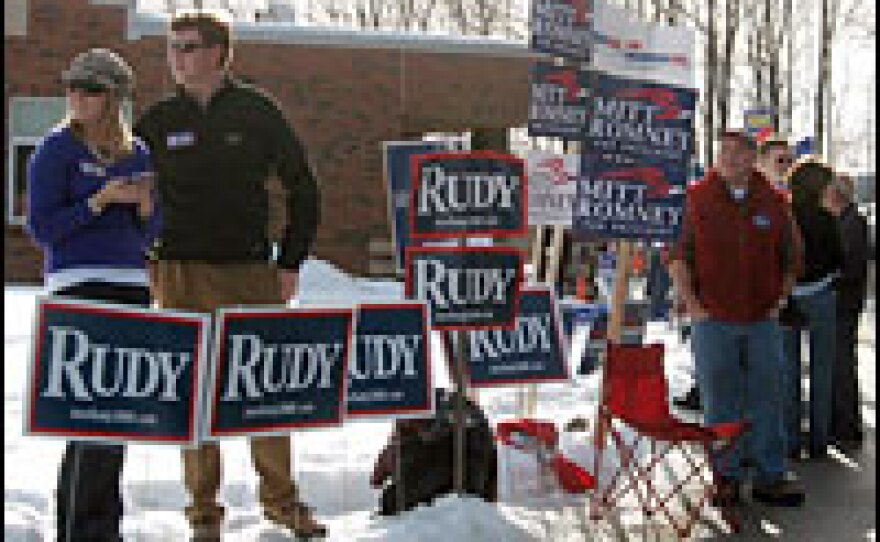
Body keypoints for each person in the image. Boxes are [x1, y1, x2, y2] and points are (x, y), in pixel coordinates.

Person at [133, 10, 324, 540]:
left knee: (260, 390)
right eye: (172, 47)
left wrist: (289, 263)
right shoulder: (157, 121)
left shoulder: (257, 111)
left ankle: (283, 503)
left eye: (189, 46)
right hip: (178, 275)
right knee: (193, 397)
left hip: (247, 273)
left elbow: (303, 188)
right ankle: (202, 514)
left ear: (219, 53)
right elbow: (129, 193)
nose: (178, 57)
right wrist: (143, 260)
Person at [26, 48, 159, 541]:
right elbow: (43, 229)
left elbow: (149, 236)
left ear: (114, 98)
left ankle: (97, 528)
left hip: (130, 286)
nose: (76, 97)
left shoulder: (138, 153)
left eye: (90, 89)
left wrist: (145, 208)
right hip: (78, 285)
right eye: (72, 87)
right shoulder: (55, 150)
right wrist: (98, 201)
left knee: (117, 419)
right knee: (88, 417)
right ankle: (86, 531)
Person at [669, 130, 805, 507]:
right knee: (719, 402)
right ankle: (725, 477)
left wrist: (781, 296)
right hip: (713, 320)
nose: (729, 158)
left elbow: (792, 255)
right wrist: (692, 303)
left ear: (752, 158)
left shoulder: (775, 201)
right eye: (723, 151)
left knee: (768, 397)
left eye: (738, 152)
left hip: (762, 320)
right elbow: (677, 254)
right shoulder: (696, 199)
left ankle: (770, 476)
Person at [780, 159, 843, 461]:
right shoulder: (827, 219)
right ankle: (819, 440)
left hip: (787, 298)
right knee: (822, 369)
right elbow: (838, 260)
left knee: (788, 371)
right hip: (821, 297)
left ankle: (791, 439)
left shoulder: (783, 216)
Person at [823, 173, 869, 450]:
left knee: (841, 365)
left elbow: (850, 266)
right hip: (843, 302)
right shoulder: (846, 221)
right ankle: (840, 423)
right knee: (838, 364)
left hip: (844, 304)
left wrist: (827, 278)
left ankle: (847, 426)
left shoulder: (852, 223)